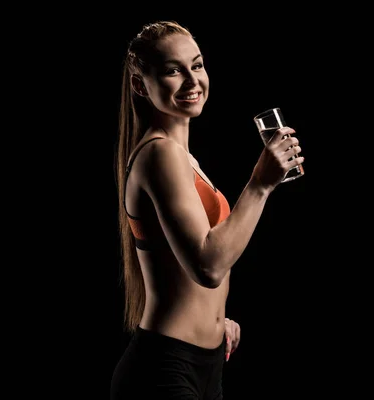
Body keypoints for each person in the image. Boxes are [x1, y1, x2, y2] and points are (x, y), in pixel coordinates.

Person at [111, 20, 304, 399]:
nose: (191, 80)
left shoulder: (182, 157)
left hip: (206, 360)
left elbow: (186, 264)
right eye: (172, 70)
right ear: (140, 85)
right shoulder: (159, 154)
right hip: (163, 370)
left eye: (196, 65)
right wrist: (261, 183)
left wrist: (216, 323)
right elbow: (208, 266)